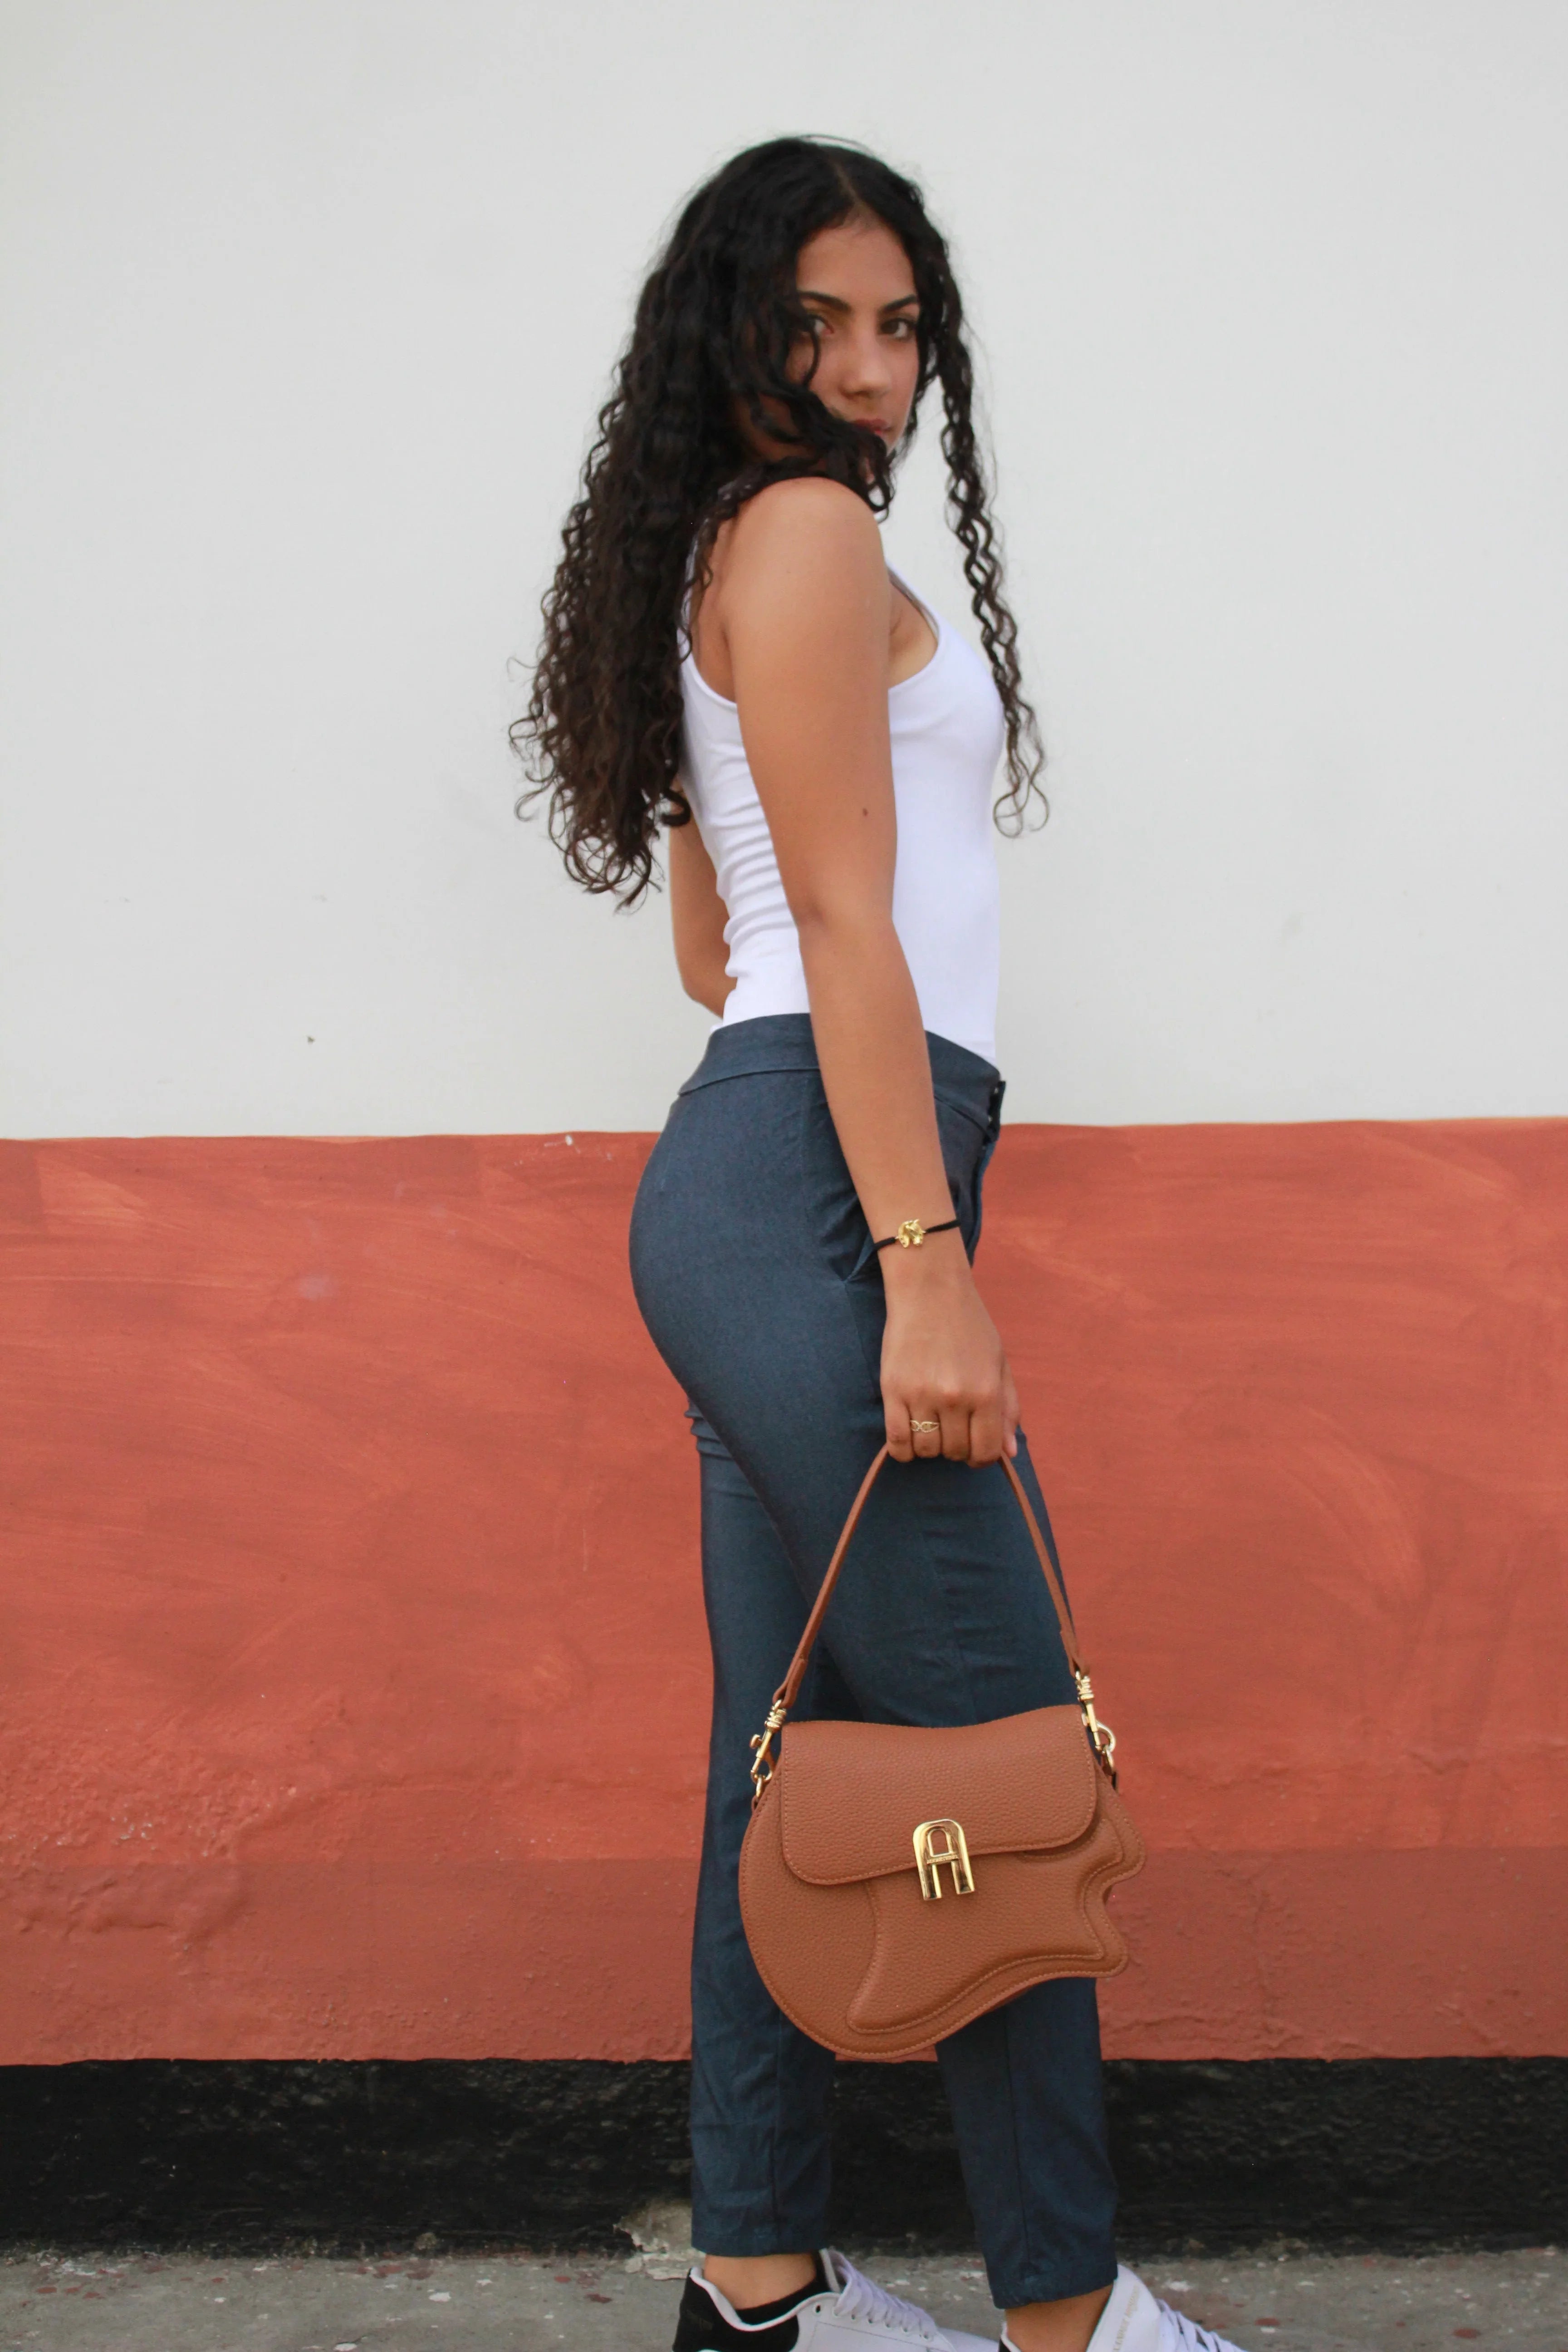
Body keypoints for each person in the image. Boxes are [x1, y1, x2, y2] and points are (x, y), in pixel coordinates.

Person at [519, 136, 1240, 2352]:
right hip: (829, 1190)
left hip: (767, 1172)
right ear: (735, 333)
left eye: (901, 325)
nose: (870, 370)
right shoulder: (813, 529)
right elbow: (833, 924)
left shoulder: (726, 549)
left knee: (789, 1734)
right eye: (819, 323)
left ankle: (754, 2292)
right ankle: (1069, 2321)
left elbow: (716, 934)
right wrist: (923, 1259)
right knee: (1012, 1750)